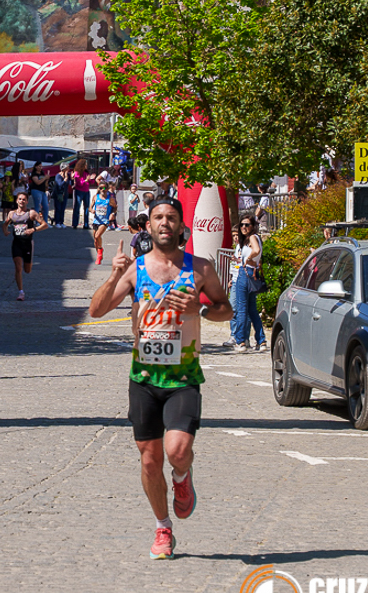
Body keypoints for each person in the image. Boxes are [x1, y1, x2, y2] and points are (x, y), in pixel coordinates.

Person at [88, 197, 231, 560]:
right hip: (144, 378)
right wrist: (113, 275)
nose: (164, 223)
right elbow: (96, 310)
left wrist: (200, 309)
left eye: (171, 217)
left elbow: (226, 309)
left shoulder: (200, 268)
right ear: (148, 226)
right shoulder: (135, 270)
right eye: (158, 217)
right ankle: (162, 527)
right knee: (150, 461)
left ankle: (182, 476)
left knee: (177, 451)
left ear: (181, 226)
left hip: (183, 376)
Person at [230, 215, 267, 353]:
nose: (244, 227)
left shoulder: (252, 237)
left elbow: (256, 251)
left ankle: (240, 341)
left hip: (245, 274)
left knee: (242, 309)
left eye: (247, 225)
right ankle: (261, 340)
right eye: (242, 225)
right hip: (252, 274)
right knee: (252, 310)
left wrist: (248, 259)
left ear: (253, 226)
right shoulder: (253, 238)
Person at [2, 191, 48, 301]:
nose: (21, 201)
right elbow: (5, 224)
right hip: (17, 243)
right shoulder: (12, 214)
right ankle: (21, 292)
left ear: (27, 201)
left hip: (27, 244)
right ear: (16, 201)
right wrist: (5, 231)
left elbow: (45, 225)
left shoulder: (31, 213)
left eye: (24, 199)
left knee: (27, 270)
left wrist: (33, 229)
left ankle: (28, 262)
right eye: (20, 199)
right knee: (18, 267)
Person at [91, 180, 117, 265]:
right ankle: (99, 252)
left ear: (107, 189)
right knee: (95, 240)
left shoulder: (110, 199)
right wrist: (92, 210)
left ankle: (99, 254)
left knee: (97, 235)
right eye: (101, 188)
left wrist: (112, 214)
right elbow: (90, 207)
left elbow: (115, 207)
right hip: (96, 220)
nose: (103, 189)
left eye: (104, 188)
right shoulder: (95, 197)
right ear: (98, 188)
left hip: (105, 221)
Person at [71, 159, 94, 229]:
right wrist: (86, 180)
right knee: (77, 207)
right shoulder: (77, 173)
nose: (86, 166)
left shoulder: (86, 173)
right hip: (79, 191)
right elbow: (79, 183)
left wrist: (91, 179)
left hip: (86, 191)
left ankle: (86, 224)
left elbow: (91, 182)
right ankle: (75, 223)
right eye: (85, 165)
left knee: (86, 208)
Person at [28, 161, 50, 225]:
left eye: (41, 166)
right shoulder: (34, 174)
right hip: (36, 190)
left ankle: (45, 222)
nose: (40, 168)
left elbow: (45, 183)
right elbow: (37, 182)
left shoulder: (42, 173)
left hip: (43, 191)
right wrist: (45, 178)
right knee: (37, 206)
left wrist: (47, 180)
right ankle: (37, 221)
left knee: (46, 206)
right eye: (39, 166)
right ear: (36, 167)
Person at [50, 164, 70, 228]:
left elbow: (70, 183)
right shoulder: (58, 176)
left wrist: (71, 178)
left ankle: (61, 222)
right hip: (58, 194)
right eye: (67, 168)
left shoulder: (67, 175)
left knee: (63, 208)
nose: (68, 169)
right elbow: (59, 185)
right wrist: (65, 180)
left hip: (65, 194)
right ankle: (57, 222)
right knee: (58, 208)